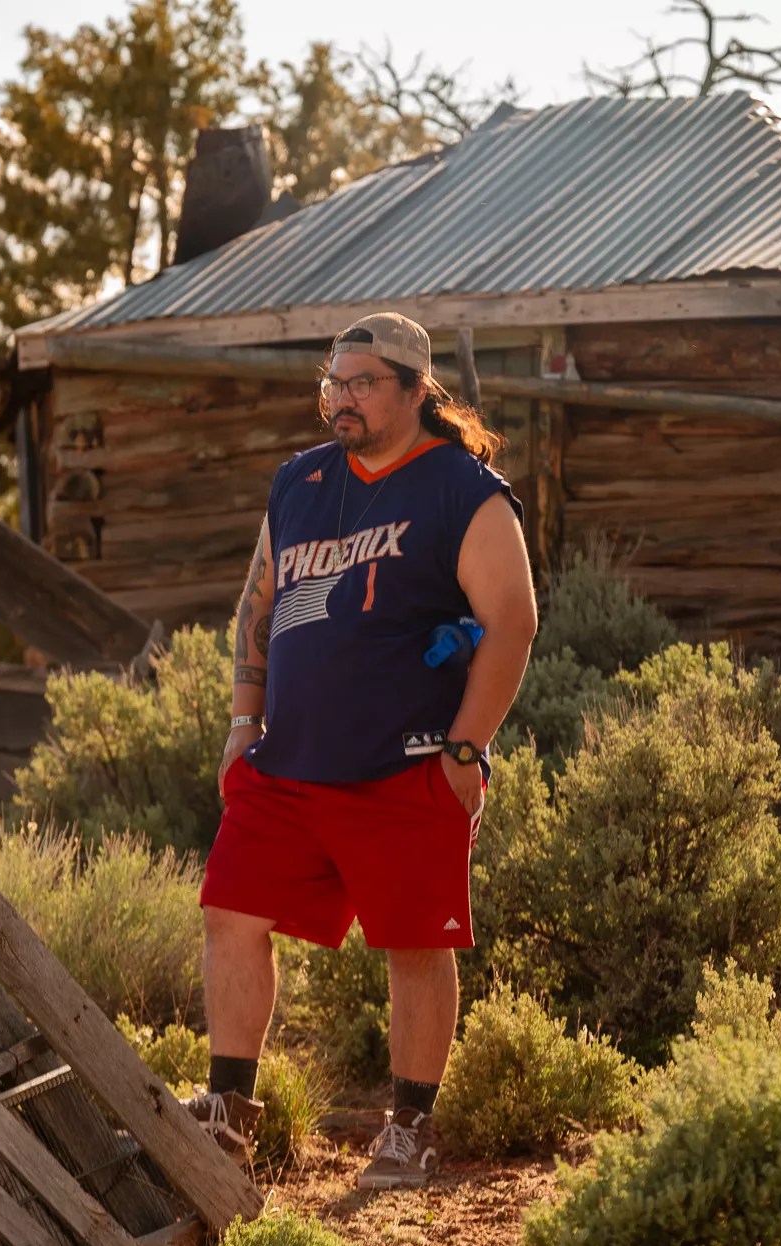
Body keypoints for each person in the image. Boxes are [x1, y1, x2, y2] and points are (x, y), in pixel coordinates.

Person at [186, 311, 537, 1190]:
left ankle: (409, 1128)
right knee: (230, 913)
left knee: (416, 944)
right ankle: (229, 1110)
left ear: (417, 391)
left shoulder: (464, 488)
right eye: (331, 383)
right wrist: (241, 721)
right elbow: (258, 606)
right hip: (288, 762)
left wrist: (468, 747)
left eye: (361, 384)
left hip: (408, 762)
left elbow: (515, 620)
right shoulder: (298, 481)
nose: (339, 399)